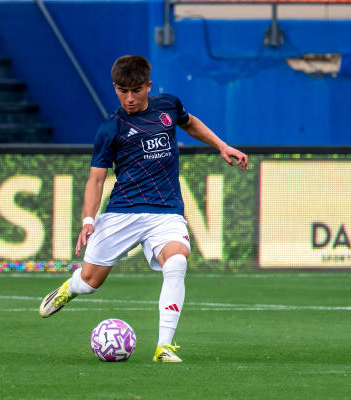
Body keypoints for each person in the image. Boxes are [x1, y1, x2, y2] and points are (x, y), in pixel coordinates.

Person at [39, 55, 248, 363]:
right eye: (122, 91)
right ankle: (70, 288)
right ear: (115, 88)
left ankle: (164, 346)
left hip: (166, 212)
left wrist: (221, 145)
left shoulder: (169, 107)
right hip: (122, 212)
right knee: (91, 282)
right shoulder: (110, 128)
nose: (129, 98)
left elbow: (190, 123)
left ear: (148, 86)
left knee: (177, 262)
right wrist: (88, 220)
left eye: (136, 90)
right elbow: (96, 180)